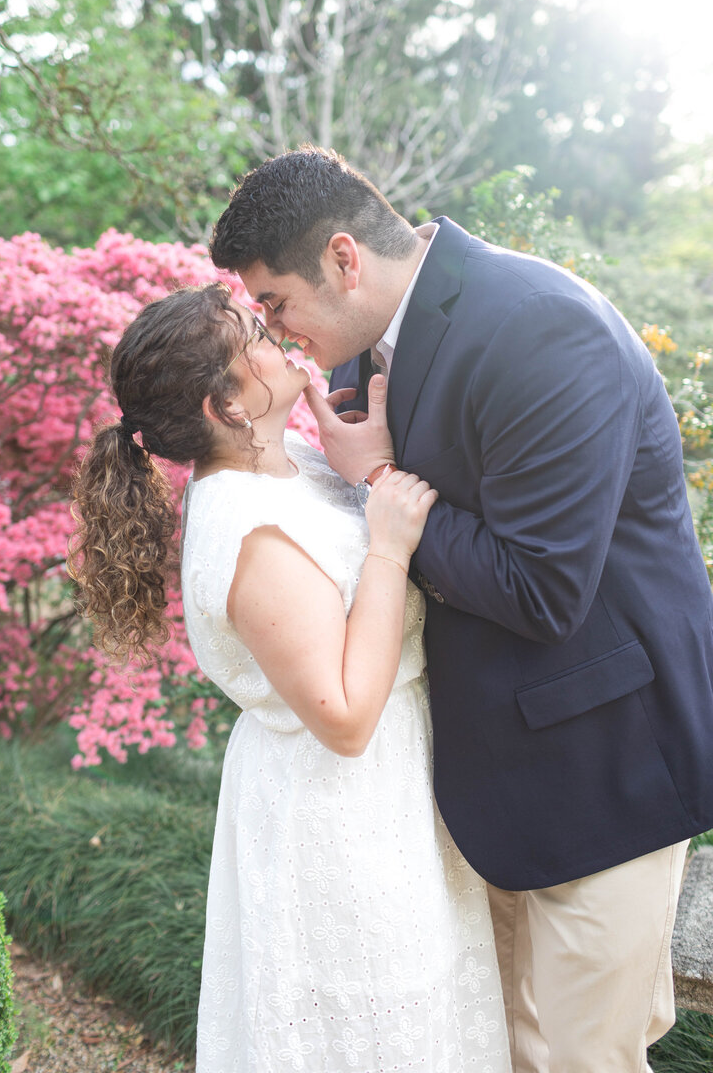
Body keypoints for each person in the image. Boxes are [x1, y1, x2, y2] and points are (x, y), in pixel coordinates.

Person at [208, 146, 713, 1073]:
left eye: (277, 305)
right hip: (486, 785)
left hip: (605, 763)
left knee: (582, 1059)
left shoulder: (539, 328)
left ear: (345, 259)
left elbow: (541, 587)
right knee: (507, 1050)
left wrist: (376, 483)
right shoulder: (378, 342)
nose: (278, 336)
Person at [69, 282, 512, 1072]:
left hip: (392, 796)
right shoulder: (251, 531)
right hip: (339, 815)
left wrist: (368, 462)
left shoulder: (291, 464)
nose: (280, 337)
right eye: (257, 340)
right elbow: (343, 718)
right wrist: (388, 546)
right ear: (228, 407)